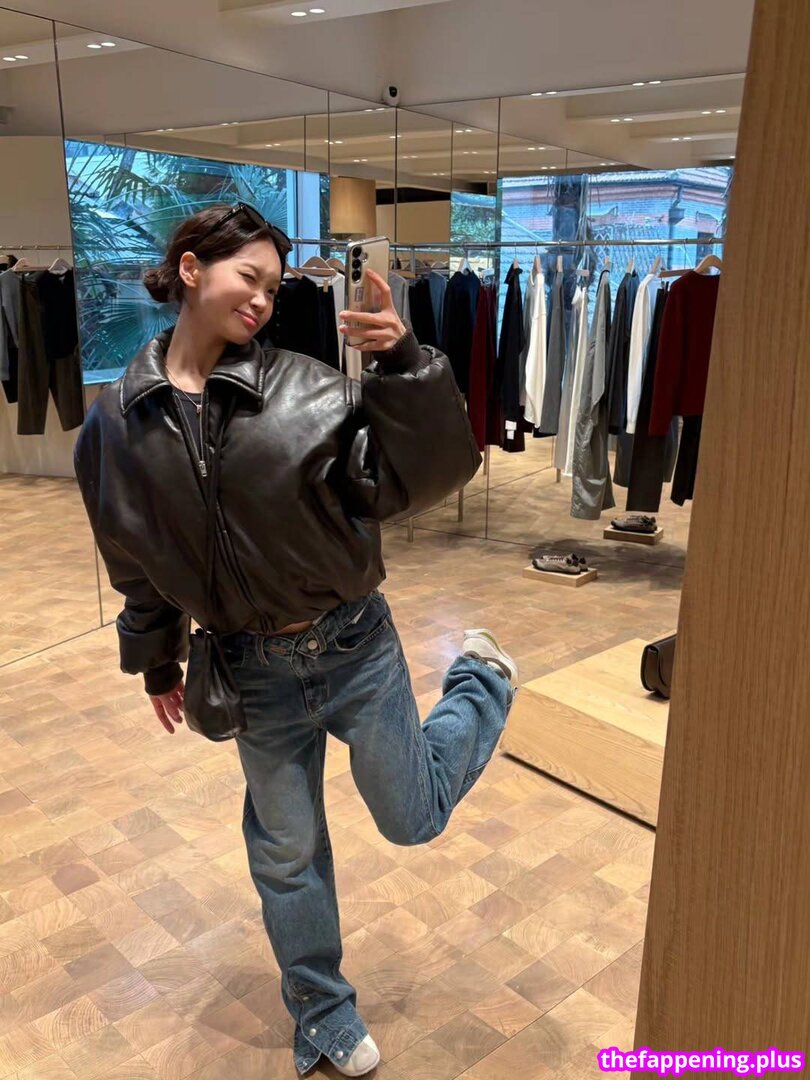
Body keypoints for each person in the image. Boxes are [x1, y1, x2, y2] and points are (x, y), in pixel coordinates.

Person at [73, 202, 520, 1078]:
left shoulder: (308, 390)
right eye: (250, 278)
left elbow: (424, 476)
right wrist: (155, 659)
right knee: (286, 854)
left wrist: (405, 364)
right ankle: (322, 1014)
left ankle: (481, 678)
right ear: (191, 269)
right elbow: (132, 555)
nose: (263, 300)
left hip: (354, 645)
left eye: (274, 289)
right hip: (249, 669)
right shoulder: (115, 427)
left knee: (411, 816)